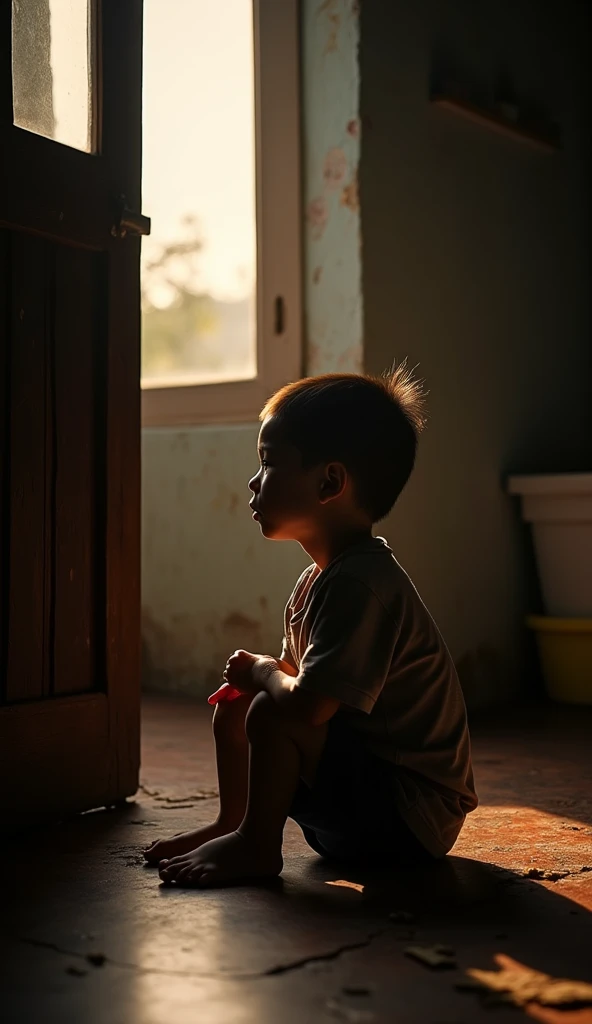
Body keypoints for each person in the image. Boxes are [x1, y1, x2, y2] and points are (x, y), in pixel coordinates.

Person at [144, 367, 478, 887]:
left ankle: (256, 847)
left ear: (329, 483)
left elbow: (308, 705)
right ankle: (233, 825)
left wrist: (260, 672)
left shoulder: (361, 583)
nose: (254, 482)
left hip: (410, 819)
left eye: (269, 463)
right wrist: (259, 680)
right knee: (240, 705)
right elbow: (301, 681)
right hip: (365, 805)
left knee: (268, 708)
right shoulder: (318, 582)